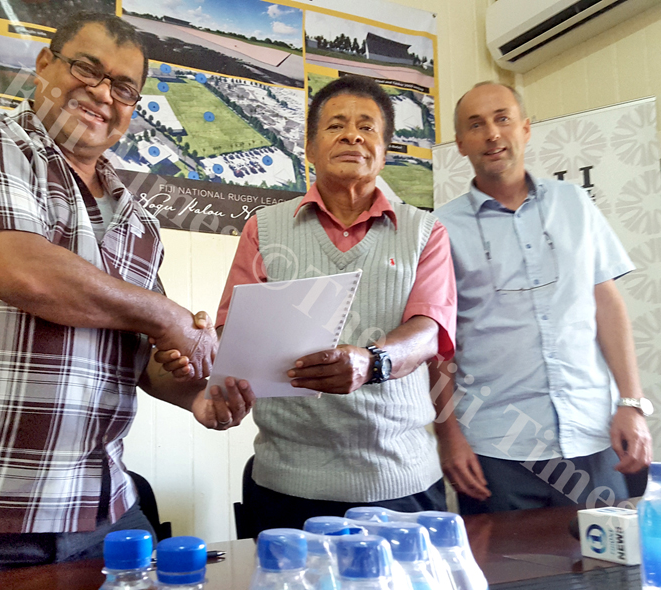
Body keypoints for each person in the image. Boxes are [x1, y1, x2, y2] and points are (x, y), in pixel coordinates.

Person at [0, 12, 253, 576]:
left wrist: (196, 391)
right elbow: (22, 272)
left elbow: (146, 359)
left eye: (123, 88)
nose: (102, 92)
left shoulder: (139, 221)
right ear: (45, 64)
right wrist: (169, 316)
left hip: (104, 514)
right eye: (87, 68)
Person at [212, 76, 457, 534]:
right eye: (335, 126)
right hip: (286, 481)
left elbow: (429, 330)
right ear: (308, 146)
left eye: (367, 127)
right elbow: (232, 332)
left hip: (399, 479)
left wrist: (373, 362)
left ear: (384, 151)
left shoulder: (426, 231)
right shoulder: (263, 229)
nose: (352, 135)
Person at [432, 82, 653, 515]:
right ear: (460, 144)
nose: (492, 133)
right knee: (509, 578)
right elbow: (440, 344)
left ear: (525, 128)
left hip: (594, 433)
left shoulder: (574, 203)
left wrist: (631, 403)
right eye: (475, 125)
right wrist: (449, 435)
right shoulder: (440, 229)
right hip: (496, 447)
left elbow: (606, 304)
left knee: (610, 572)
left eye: (502, 118)